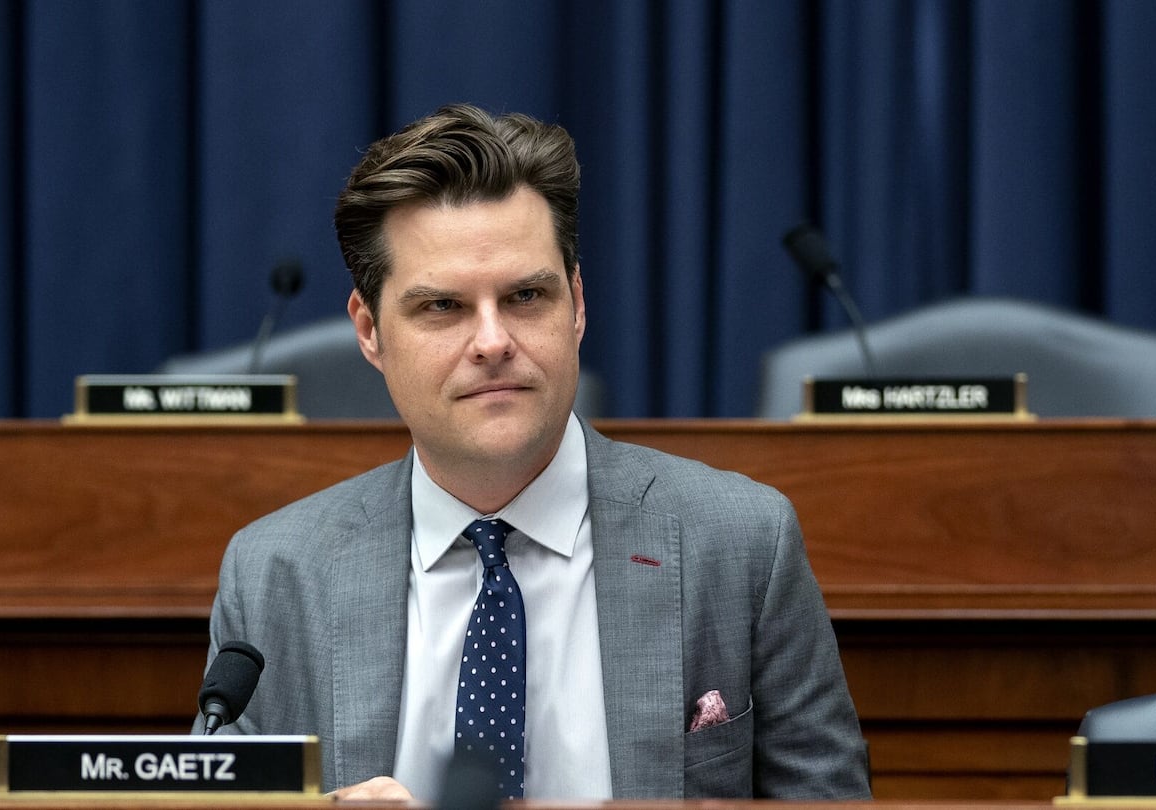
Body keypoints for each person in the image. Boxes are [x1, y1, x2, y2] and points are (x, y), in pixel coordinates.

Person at [193, 103, 870, 802]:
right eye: (442, 308)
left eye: (524, 296)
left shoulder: (741, 545)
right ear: (369, 331)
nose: (492, 341)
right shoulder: (275, 573)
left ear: (576, 305)